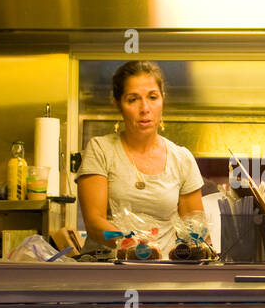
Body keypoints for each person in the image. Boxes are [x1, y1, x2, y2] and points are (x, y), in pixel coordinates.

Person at [77, 59, 205, 257]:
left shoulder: (182, 158)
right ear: (117, 104)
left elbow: (194, 230)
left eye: (152, 97)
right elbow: (94, 224)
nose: (145, 108)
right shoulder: (101, 149)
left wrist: (201, 250)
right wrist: (127, 241)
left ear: (163, 99)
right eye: (133, 99)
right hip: (106, 269)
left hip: (162, 272)